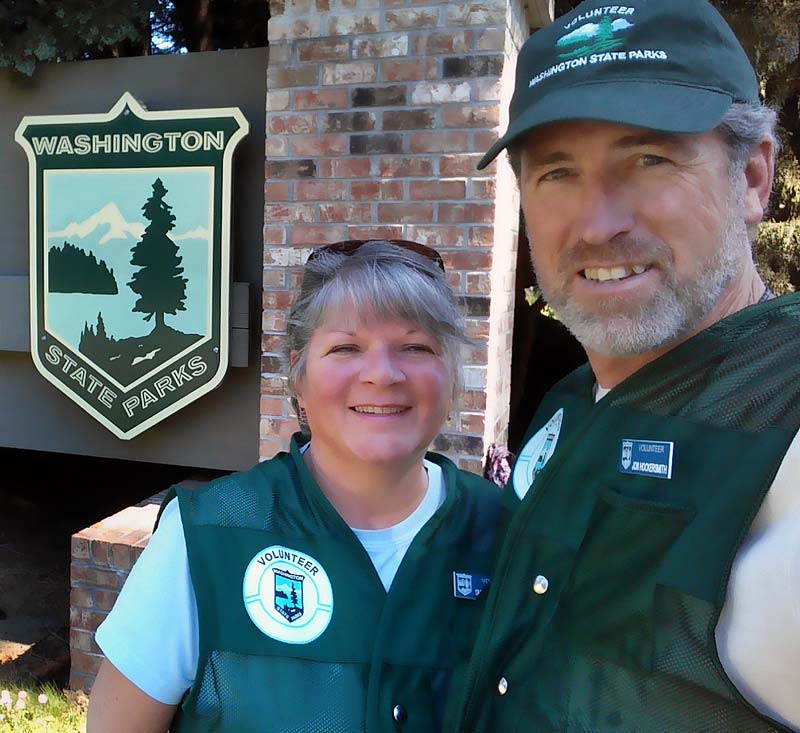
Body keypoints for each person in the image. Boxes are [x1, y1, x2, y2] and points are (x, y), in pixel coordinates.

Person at [444, 1, 800, 731]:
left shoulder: (783, 415)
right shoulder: (570, 404)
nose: (598, 223)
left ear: (755, 177)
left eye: (650, 160)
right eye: (557, 173)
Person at [87, 240, 502, 733]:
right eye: (346, 347)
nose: (383, 374)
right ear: (298, 378)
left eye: (416, 347)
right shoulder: (208, 536)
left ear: (452, 377)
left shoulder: (510, 536)